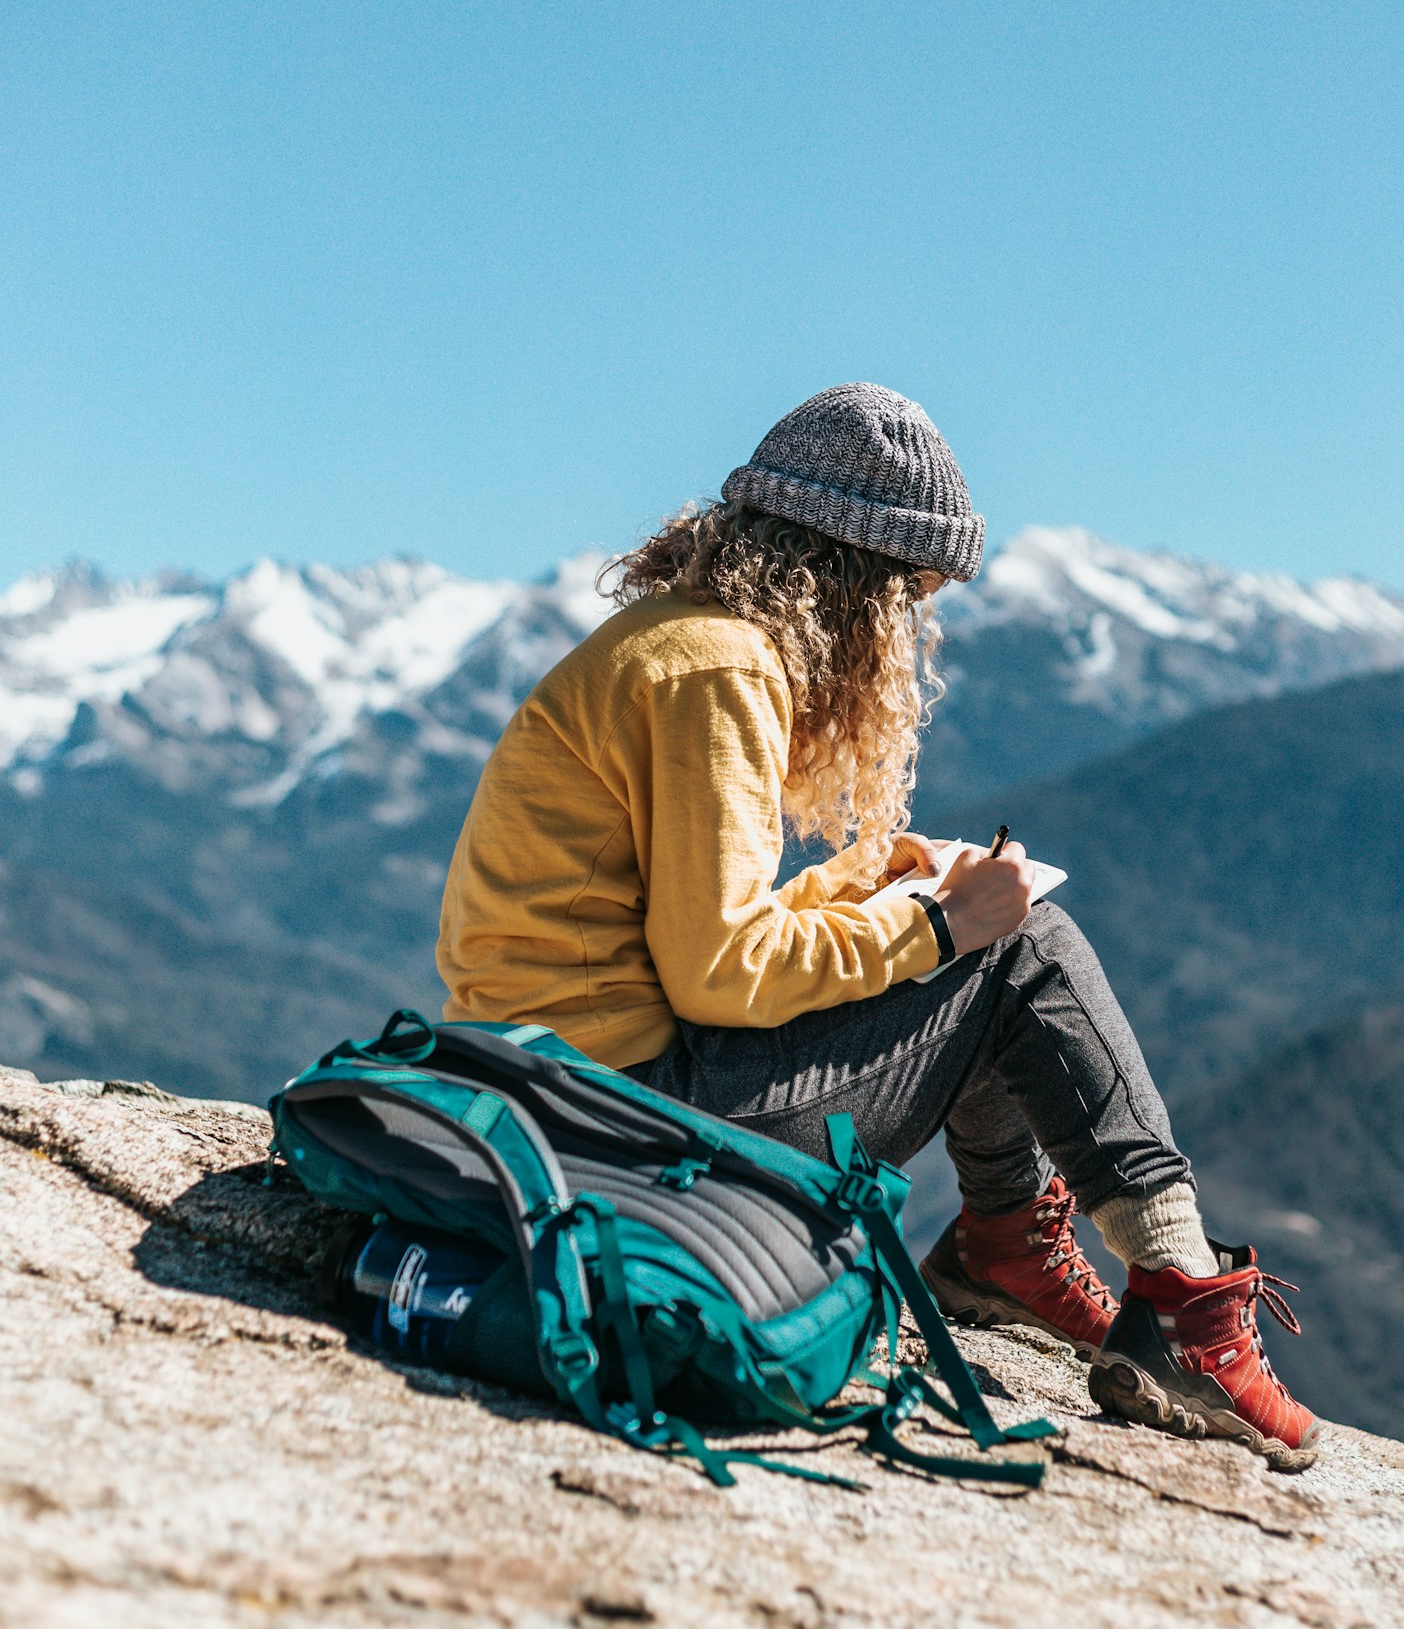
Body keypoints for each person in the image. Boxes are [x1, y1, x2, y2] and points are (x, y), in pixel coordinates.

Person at [437, 383, 1319, 1469]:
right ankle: (1183, 1303)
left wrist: (870, 893)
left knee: (994, 936)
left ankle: (1006, 1247)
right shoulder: (720, 670)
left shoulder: (669, 643)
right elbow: (718, 974)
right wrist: (939, 930)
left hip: (554, 1086)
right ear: (851, 577)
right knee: (1023, 947)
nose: (908, 628)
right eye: (908, 595)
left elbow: (668, 933)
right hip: (625, 1116)